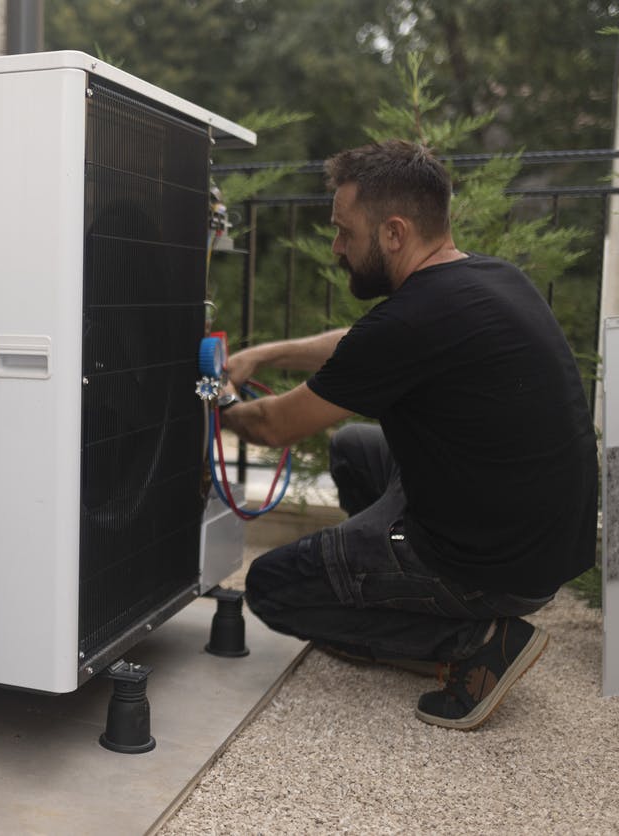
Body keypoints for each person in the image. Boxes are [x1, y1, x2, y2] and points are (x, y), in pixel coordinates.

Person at [219, 139, 598, 731]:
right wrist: (265, 355)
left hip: (490, 567)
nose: (338, 247)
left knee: (272, 586)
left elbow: (272, 424)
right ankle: (392, 587)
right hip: (530, 538)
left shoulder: (413, 320)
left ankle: (476, 640)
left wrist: (218, 403)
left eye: (344, 232)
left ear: (394, 233)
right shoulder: (487, 278)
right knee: (352, 447)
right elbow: (362, 342)